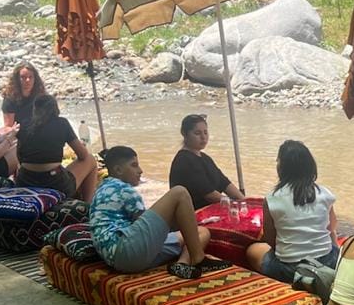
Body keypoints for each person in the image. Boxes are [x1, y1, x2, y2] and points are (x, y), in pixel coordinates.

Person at [89, 145, 213, 279]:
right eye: (134, 165)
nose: (140, 171)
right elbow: (145, 223)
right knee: (180, 192)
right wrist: (179, 217)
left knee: (201, 232)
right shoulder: (122, 188)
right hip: (125, 249)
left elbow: (147, 227)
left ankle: (181, 264)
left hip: (118, 259)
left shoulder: (102, 188)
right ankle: (199, 260)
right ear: (118, 170)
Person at [245, 140, 338, 283]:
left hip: (288, 269)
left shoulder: (272, 198)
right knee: (335, 244)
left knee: (252, 250)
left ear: (281, 168)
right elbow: (331, 228)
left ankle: (294, 282)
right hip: (326, 262)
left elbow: (270, 239)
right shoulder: (324, 193)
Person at [16, 93, 97, 201]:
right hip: (54, 183)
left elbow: (19, 156)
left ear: (34, 109)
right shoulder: (62, 123)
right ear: (55, 108)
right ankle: (87, 204)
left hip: (24, 181)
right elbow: (83, 155)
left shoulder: (25, 123)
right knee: (90, 159)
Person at [168, 113, 245, 210]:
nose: (203, 137)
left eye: (205, 132)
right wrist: (234, 205)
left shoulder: (205, 158)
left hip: (211, 209)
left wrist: (244, 202)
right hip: (193, 213)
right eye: (197, 133)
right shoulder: (184, 160)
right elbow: (209, 194)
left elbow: (224, 183)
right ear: (184, 134)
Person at [2, 62, 47, 129]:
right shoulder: (10, 99)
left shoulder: (40, 95)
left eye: (30, 77)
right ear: (17, 79)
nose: (28, 80)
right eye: (23, 77)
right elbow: (8, 126)